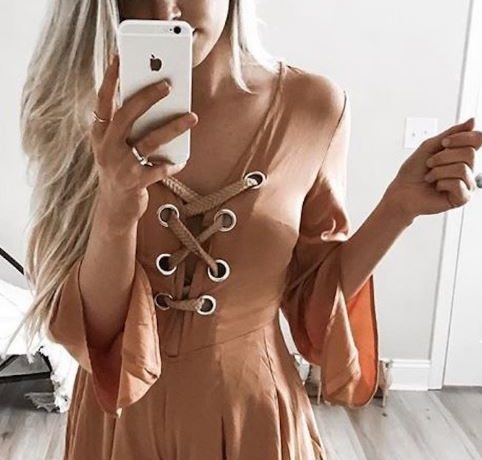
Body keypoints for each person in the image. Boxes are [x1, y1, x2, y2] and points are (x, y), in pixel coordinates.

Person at [17, 0, 482, 459]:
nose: (163, 11)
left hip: (253, 416)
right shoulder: (84, 111)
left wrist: (398, 208)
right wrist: (116, 209)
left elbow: (313, 302)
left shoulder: (314, 108)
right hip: (119, 423)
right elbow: (95, 334)